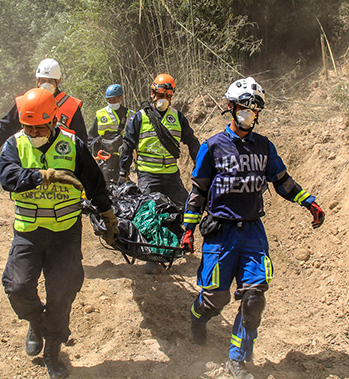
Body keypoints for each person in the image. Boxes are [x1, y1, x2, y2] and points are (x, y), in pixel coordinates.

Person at [181, 77, 325, 379]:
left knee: (254, 298)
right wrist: (187, 230)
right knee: (215, 300)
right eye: (245, 107)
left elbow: (283, 181)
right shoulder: (212, 147)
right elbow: (198, 192)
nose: (250, 113)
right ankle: (197, 318)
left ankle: (237, 360)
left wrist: (308, 201)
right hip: (220, 234)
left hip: (252, 233)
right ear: (231, 108)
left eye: (255, 109)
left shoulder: (264, 146)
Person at [0, 87, 118, 379]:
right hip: (28, 232)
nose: (34, 132)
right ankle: (36, 323)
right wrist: (42, 175)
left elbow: (95, 181)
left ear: (53, 121)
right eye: (28, 127)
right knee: (17, 286)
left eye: (40, 126)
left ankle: (52, 351)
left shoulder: (72, 144)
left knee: (62, 293)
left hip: (65, 232)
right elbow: (6, 176)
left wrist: (107, 215)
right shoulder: (15, 145)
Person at [118, 73, 200, 274]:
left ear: (172, 96)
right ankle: (151, 258)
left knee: (185, 208)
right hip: (147, 174)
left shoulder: (178, 118)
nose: (162, 98)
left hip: (171, 173)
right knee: (149, 214)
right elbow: (127, 146)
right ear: (152, 93)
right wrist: (123, 172)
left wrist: (200, 164)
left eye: (167, 95)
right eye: (158, 94)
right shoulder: (139, 118)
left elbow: (192, 141)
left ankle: (176, 242)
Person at [0, 58, 88, 175]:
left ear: (58, 81)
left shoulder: (71, 105)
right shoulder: (27, 102)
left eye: (50, 81)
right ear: (37, 80)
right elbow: (5, 128)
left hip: (61, 169)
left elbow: (81, 141)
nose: (46, 84)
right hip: (29, 170)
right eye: (43, 80)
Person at [87, 84, 134, 186]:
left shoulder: (129, 114)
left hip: (121, 157)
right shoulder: (101, 114)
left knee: (122, 185)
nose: (111, 103)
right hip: (104, 157)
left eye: (114, 100)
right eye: (109, 100)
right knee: (105, 185)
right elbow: (91, 136)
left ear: (120, 97)